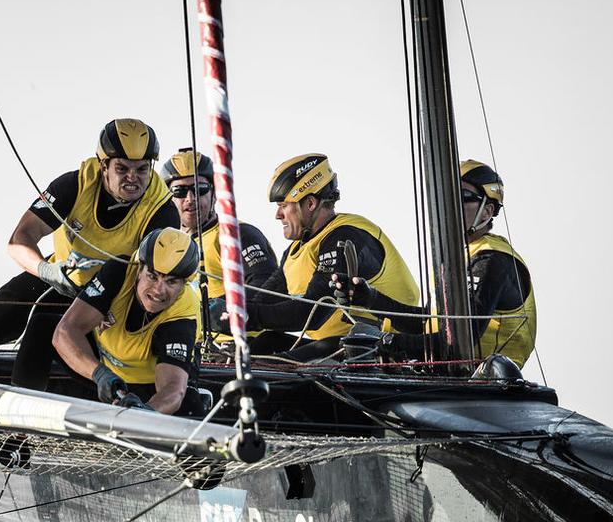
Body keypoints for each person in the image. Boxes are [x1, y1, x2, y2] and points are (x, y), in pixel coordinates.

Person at [0, 119, 179, 389]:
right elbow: (19, 239)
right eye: (122, 168)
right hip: (61, 277)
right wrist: (48, 272)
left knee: (44, 326)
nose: (133, 178)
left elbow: (154, 276)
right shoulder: (75, 183)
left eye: (142, 169)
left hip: (113, 294)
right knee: (7, 311)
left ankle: (28, 413)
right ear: (104, 165)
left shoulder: (162, 209)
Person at [333, 160, 537, 368]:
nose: (450, 205)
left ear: (486, 212)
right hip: (453, 377)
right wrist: (371, 299)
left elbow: (458, 342)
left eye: (462, 197)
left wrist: (386, 342)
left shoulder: (492, 259)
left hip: (486, 384)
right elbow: (430, 323)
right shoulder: (460, 256)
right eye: (446, 197)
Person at [231, 153, 420, 359]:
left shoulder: (346, 236)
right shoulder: (298, 249)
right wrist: (225, 312)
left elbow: (312, 312)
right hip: (336, 344)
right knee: (266, 342)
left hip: (381, 347)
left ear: (310, 203)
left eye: (283, 206)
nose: (278, 215)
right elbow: (263, 301)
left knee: (288, 360)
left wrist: (246, 316)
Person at [52, 227, 201, 414]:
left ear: (183, 285)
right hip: (107, 377)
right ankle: (19, 434)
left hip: (149, 388)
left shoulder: (183, 313)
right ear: (139, 269)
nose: (158, 290)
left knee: (190, 405)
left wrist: (143, 414)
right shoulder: (119, 271)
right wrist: (100, 374)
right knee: (43, 326)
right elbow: (65, 332)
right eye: (152, 276)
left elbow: (172, 389)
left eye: (171, 282)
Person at [159, 149, 277, 333]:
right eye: (179, 191)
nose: (190, 199)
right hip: (193, 349)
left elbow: (267, 283)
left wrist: (218, 308)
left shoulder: (237, 233)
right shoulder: (166, 244)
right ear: (168, 197)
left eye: (200, 189)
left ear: (214, 194)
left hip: (242, 348)